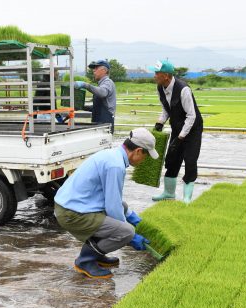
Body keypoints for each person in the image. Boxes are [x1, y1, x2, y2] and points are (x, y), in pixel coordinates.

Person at [54, 128, 158, 279]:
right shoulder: (115, 166)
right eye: (146, 156)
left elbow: (114, 200)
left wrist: (130, 215)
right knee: (125, 231)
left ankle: (97, 254)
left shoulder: (111, 155)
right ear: (138, 151)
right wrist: (131, 236)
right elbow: (112, 208)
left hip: (72, 205)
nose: (144, 160)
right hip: (72, 213)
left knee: (124, 210)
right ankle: (85, 260)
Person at [149, 60, 203, 204]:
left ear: (166, 75)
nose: (154, 76)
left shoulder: (183, 89)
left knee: (190, 160)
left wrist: (180, 138)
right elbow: (166, 109)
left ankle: (186, 198)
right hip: (177, 127)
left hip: (193, 129)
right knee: (172, 158)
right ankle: (168, 193)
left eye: (157, 73)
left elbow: (192, 116)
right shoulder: (160, 87)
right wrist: (160, 123)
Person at [74, 59, 116, 133]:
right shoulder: (101, 84)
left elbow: (102, 93)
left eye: (96, 68)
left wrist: (85, 85)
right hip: (99, 122)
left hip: (105, 123)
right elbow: (96, 108)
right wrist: (81, 106)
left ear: (104, 70)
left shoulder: (107, 82)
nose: (93, 71)